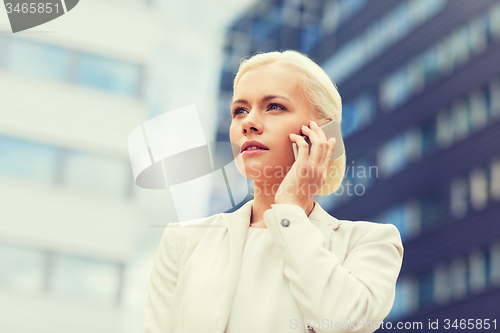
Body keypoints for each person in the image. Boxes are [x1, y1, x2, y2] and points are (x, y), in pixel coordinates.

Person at [142, 50, 404, 333]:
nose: (248, 123)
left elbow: (342, 321)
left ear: (323, 133)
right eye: (239, 110)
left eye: (274, 107)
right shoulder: (183, 242)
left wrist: (290, 210)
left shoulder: (369, 243)